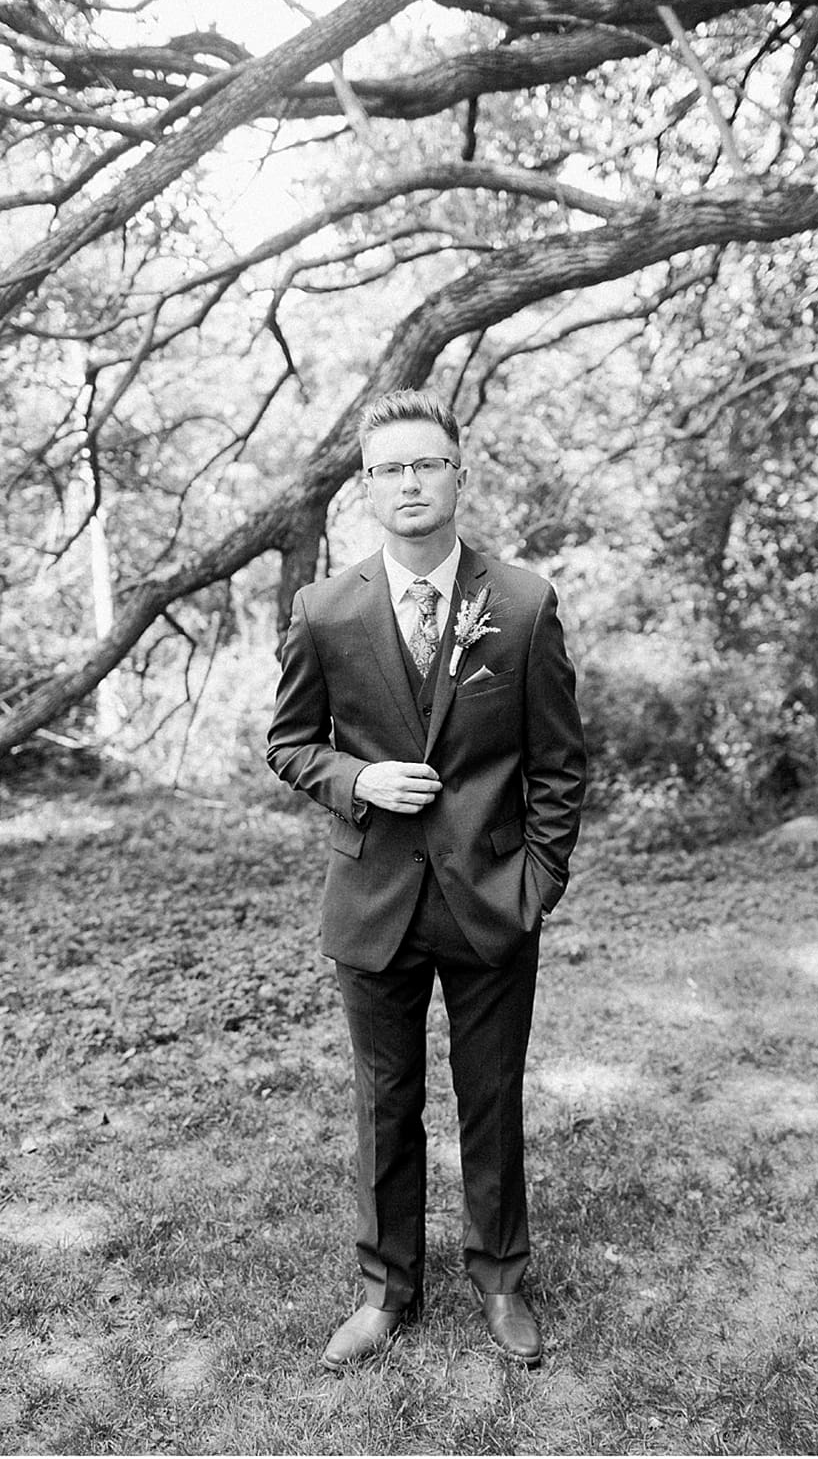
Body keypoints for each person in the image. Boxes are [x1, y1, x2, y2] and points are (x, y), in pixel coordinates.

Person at [266, 389, 585, 1372]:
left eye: (425, 464)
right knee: (382, 1098)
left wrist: (535, 879)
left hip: (492, 900)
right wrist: (355, 777)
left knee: (489, 1097)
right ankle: (385, 1289)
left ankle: (498, 1277)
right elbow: (287, 743)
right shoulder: (323, 611)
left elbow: (559, 762)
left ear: (456, 473)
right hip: (373, 902)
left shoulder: (522, 603)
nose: (408, 482)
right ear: (365, 488)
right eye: (389, 469)